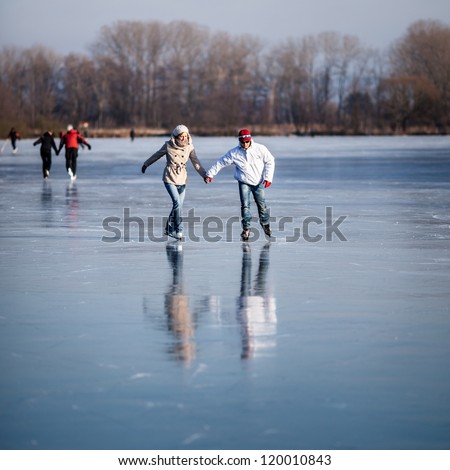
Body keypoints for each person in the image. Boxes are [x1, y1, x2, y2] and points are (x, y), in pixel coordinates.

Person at [204, 129, 275, 241]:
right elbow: (221, 162)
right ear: (239, 141)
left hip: (258, 182)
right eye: (243, 142)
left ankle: (266, 225)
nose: (245, 144)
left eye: (247, 141)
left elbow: (270, 161)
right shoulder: (234, 153)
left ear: (250, 139)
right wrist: (210, 174)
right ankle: (246, 229)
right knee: (245, 206)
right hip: (244, 182)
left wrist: (268, 178)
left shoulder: (260, 149)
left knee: (262, 205)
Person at [141, 124, 207, 240]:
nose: (184, 138)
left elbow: (196, 163)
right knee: (177, 203)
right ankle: (178, 230)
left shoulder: (189, 147)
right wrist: (146, 164)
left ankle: (168, 228)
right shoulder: (168, 145)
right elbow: (156, 155)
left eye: (186, 136)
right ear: (176, 136)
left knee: (178, 206)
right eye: (182, 136)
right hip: (170, 177)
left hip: (182, 178)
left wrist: (204, 175)